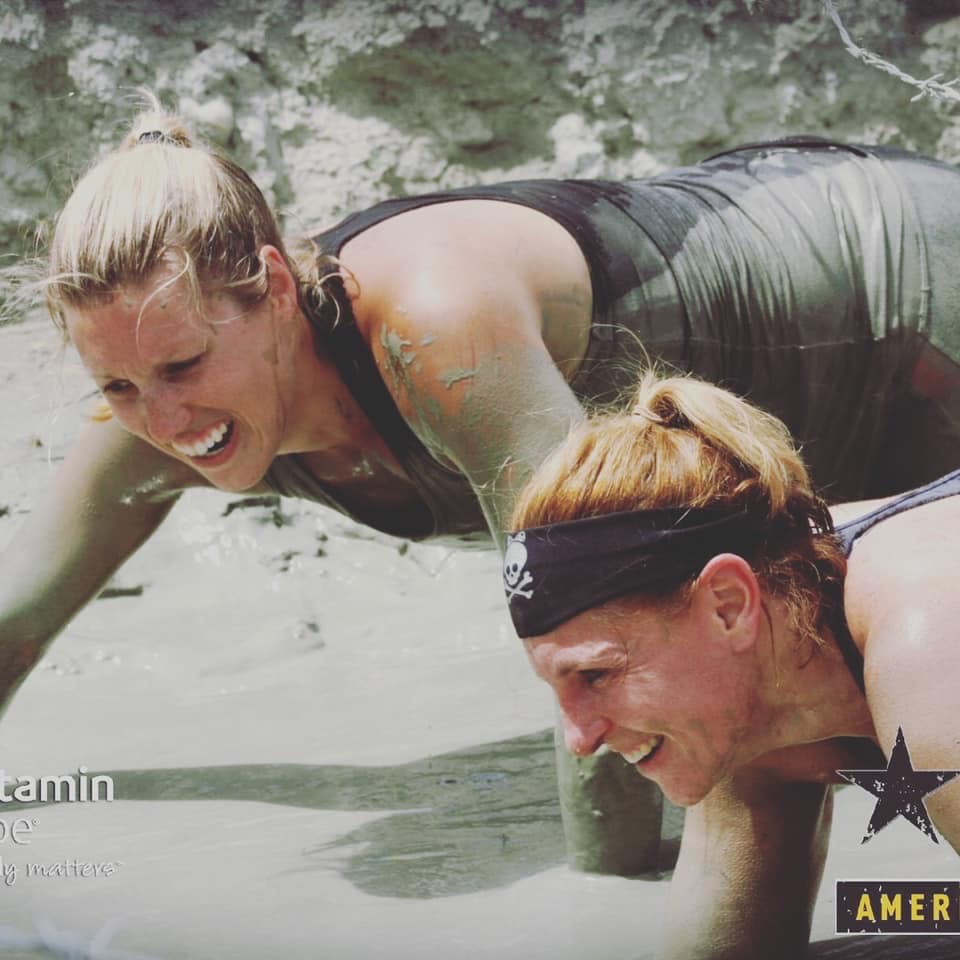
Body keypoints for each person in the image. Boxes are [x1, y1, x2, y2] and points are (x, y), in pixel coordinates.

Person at [6, 94, 960, 877]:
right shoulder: (153, 418)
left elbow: (596, 612)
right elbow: (16, 618)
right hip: (795, 452)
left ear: (276, 288)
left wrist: (608, 883)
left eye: (184, 366)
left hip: (897, 287)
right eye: (117, 387)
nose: (165, 419)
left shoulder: (435, 327)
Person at [505, 370, 960, 958]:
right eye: (557, 687)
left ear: (727, 603)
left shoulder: (929, 642)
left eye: (597, 675)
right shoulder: (748, 707)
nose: (579, 740)